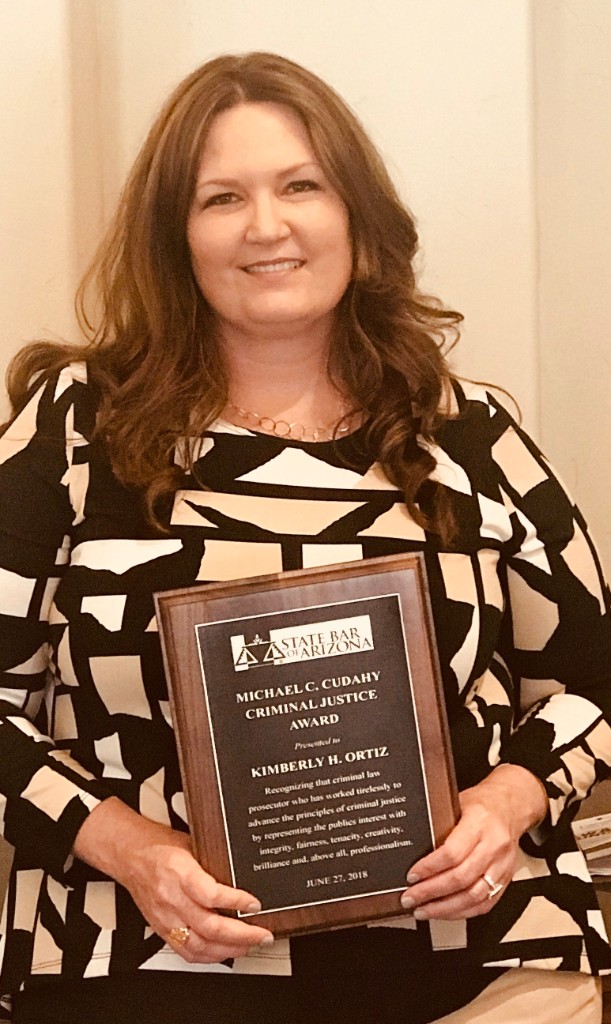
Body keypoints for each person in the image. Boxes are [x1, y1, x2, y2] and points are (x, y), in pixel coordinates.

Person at [0, 51, 609, 1024]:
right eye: (221, 197)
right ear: (174, 235)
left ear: (357, 217)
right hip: (143, 961)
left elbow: (594, 678)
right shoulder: (80, 427)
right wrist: (127, 845)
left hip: (473, 966)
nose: (266, 225)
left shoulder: (473, 433)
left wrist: (508, 801)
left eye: (299, 185)